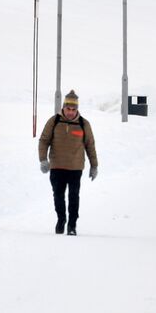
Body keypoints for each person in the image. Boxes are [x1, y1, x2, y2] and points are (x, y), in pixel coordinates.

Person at [38, 90, 98, 235]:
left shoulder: (84, 124)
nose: (71, 112)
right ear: (63, 107)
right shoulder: (54, 121)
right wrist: (43, 160)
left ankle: (72, 225)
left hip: (75, 167)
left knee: (73, 196)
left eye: (74, 109)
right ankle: (61, 219)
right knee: (58, 195)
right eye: (68, 109)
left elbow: (90, 145)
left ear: (77, 109)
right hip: (57, 166)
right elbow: (44, 141)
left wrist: (94, 165)